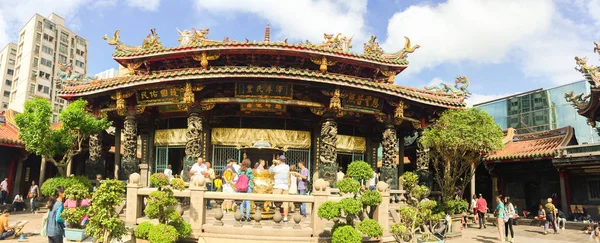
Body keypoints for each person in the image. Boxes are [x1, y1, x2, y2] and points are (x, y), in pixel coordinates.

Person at [270, 155, 290, 222]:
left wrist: (273, 164)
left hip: (278, 186)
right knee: (286, 203)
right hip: (285, 186)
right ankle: (285, 217)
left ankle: (277, 215)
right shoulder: (287, 167)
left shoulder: (276, 168)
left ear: (280, 160)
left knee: (277, 202)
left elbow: (270, 170)